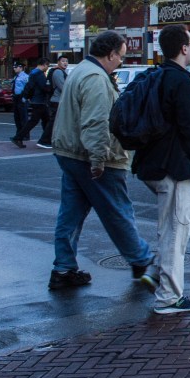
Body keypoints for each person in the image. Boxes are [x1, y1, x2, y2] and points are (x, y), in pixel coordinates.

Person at [49, 30, 153, 291]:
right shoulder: (96, 78)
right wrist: (98, 159)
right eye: (121, 56)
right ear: (110, 54)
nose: (121, 61)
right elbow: (96, 122)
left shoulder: (81, 71)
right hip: (93, 157)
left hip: (70, 153)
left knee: (70, 214)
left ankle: (63, 268)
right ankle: (140, 259)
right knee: (117, 210)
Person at [133, 24, 190, 315]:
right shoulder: (180, 80)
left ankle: (158, 270)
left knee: (186, 216)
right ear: (184, 48)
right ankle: (169, 297)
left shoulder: (157, 75)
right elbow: (189, 126)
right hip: (171, 164)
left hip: (152, 161)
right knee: (175, 228)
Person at [12, 58, 52, 149]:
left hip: (35, 100)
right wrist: (50, 86)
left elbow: (29, 86)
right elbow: (44, 87)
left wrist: (26, 97)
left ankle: (47, 139)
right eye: (47, 66)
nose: (47, 68)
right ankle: (19, 137)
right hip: (40, 101)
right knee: (36, 121)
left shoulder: (32, 73)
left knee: (46, 121)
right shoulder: (39, 74)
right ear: (44, 65)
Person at [40, 57, 68, 148]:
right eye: (63, 61)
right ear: (58, 62)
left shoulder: (61, 72)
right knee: (54, 122)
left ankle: (51, 140)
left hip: (58, 100)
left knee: (57, 122)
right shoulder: (58, 72)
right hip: (57, 100)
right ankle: (44, 140)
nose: (65, 63)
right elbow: (63, 87)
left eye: (66, 61)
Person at [11, 62, 28, 135]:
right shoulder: (16, 77)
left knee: (23, 117)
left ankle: (24, 134)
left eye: (16, 67)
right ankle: (19, 132)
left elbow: (28, 88)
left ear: (21, 68)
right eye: (14, 67)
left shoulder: (25, 77)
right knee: (17, 117)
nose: (14, 68)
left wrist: (25, 97)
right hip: (16, 97)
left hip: (21, 97)